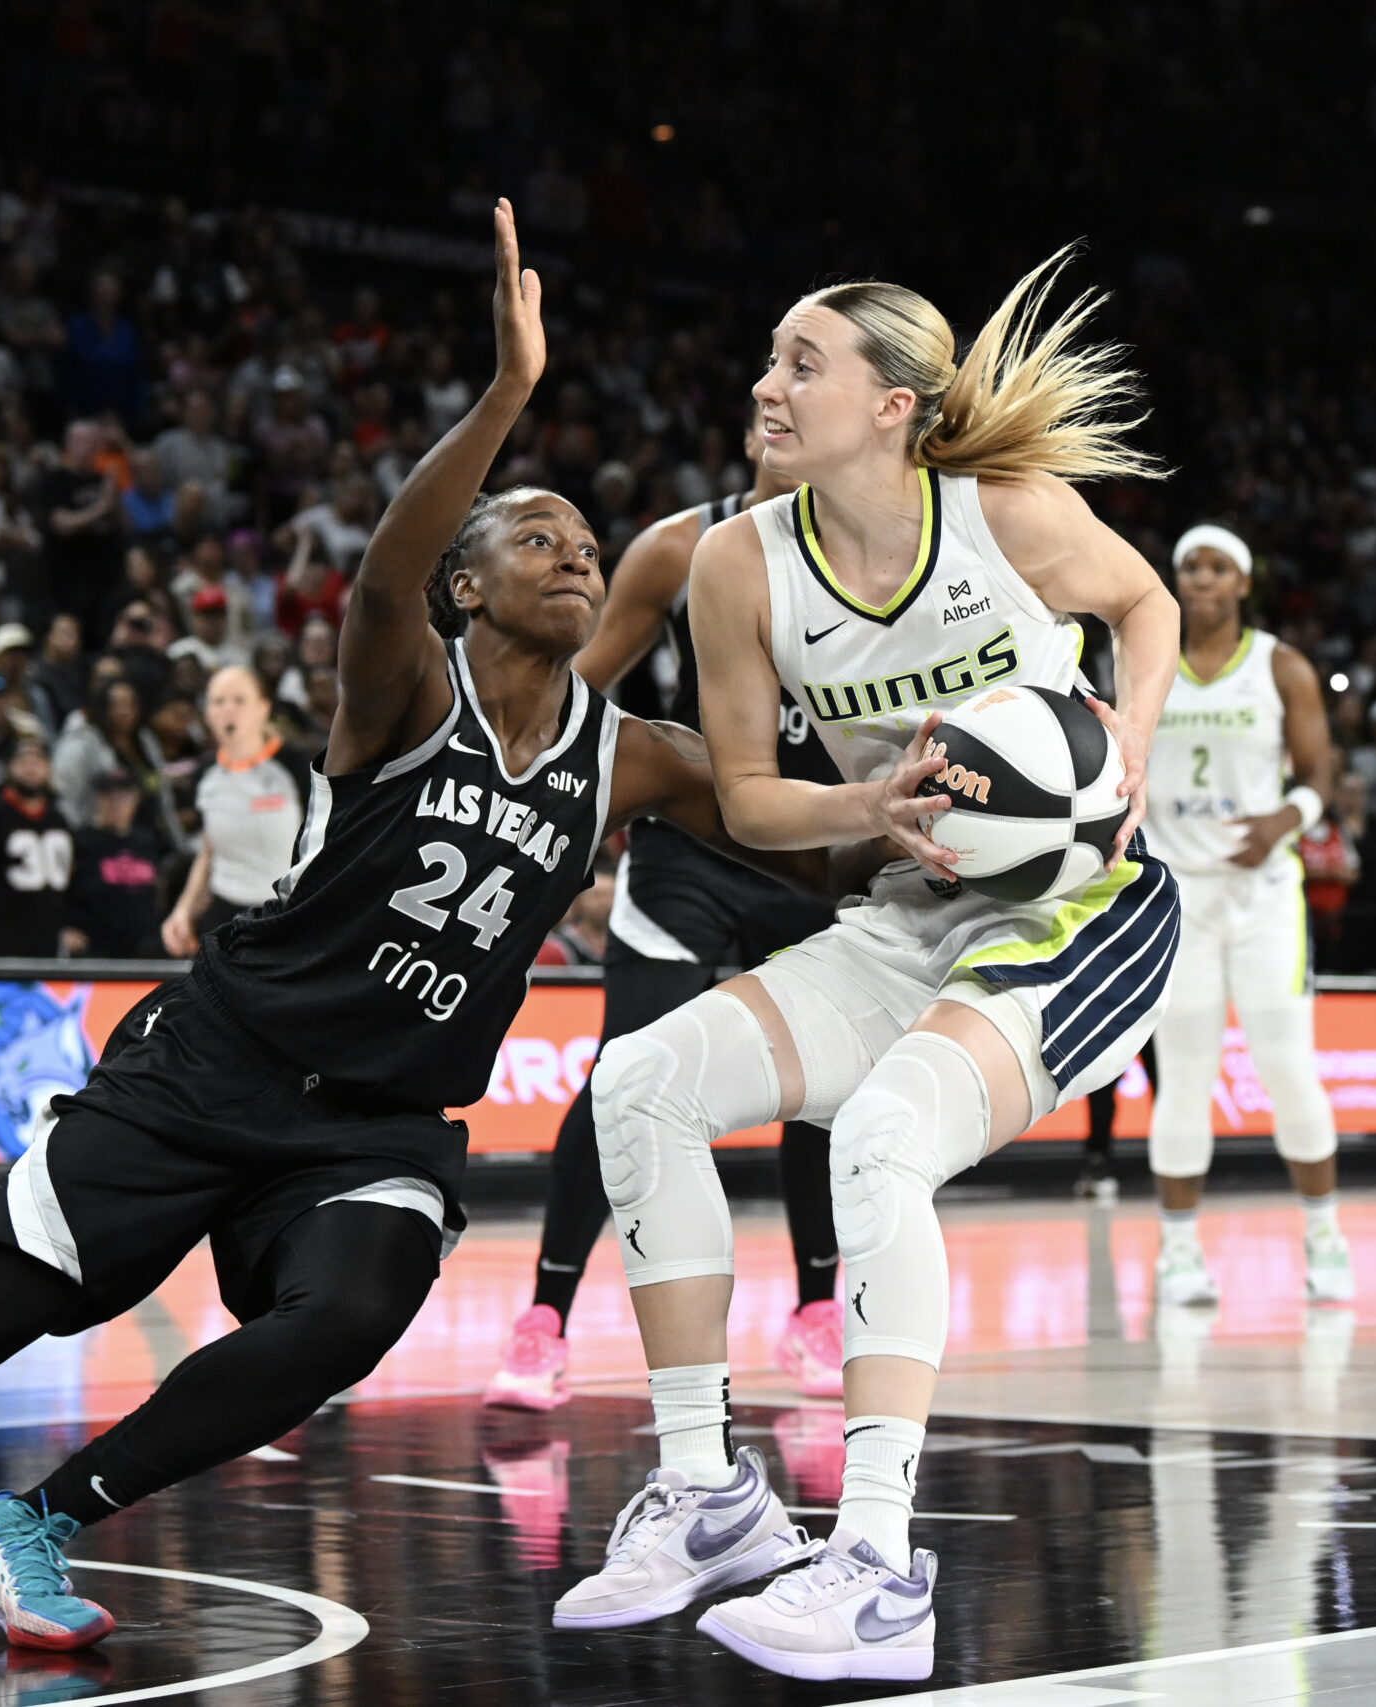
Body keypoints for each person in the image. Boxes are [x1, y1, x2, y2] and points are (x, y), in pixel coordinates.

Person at [0, 200, 849, 1656]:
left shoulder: (631, 754)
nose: (575, 550)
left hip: (376, 1124)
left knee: (348, 1311)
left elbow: (794, 816)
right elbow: (378, 578)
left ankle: (33, 1520)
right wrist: (504, 399)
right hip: (211, 1065)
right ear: (466, 584)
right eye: (535, 533)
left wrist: (942, 796)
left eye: (587, 540)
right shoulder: (407, 689)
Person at [560, 249, 1179, 1682]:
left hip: (1080, 907)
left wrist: (1129, 739)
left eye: (802, 362)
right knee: (640, 1081)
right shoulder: (735, 563)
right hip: (910, 904)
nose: (766, 385)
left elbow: (1144, 605)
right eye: (770, 360)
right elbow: (752, 795)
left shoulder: (1009, 517)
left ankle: (881, 1563)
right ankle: (710, 1493)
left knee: (881, 1136)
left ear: (894, 405)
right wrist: (871, 808)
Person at [482, 413, 848, 1413]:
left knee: (822, 1090)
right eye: (770, 405)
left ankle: (820, 1310)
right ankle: (543, 1321)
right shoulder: (682, 547)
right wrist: (551, 832)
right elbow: (572, 692)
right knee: (624, 1076)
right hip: (695, 841)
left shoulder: (886, 555)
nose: (782, 417)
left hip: (816, 853)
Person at [1138, 523, 1351, 1310]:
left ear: (1242, 584)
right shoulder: (1141, 656)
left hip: (1264, 897)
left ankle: (1325, 1236)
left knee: (1287, 1066)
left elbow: (1321, 772)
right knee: (1184, 1076)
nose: (1198, 576)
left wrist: (1284, 818)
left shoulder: (1280, 665)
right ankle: (1179, 1253)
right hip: (1178, 896)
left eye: (1216, 566)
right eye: (1188, 563)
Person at [159, 667, 306, 956]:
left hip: (287, 916)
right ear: (207, 714)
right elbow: (209, 851)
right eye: (218, 702)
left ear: (263, 708)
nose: (229, 710)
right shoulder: (206, 774)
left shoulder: (296, 765)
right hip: (225, 919)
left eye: (239, 700)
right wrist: (183, 911)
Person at [0, 737, 72, 958]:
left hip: (49, 938)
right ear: (8, 767)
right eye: (23, 760)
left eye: (38, 760)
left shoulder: (58, 818)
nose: (30, 768)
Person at [63, 767, 166, 958]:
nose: (116, 803)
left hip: (144, 949)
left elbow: (158, 887)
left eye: (123, 796)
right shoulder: (80, 841)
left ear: (136, 800)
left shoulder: (147, 840)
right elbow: (58, 891)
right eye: (109, 796)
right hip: (96, 951)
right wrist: (62, 929)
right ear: (98, 801)